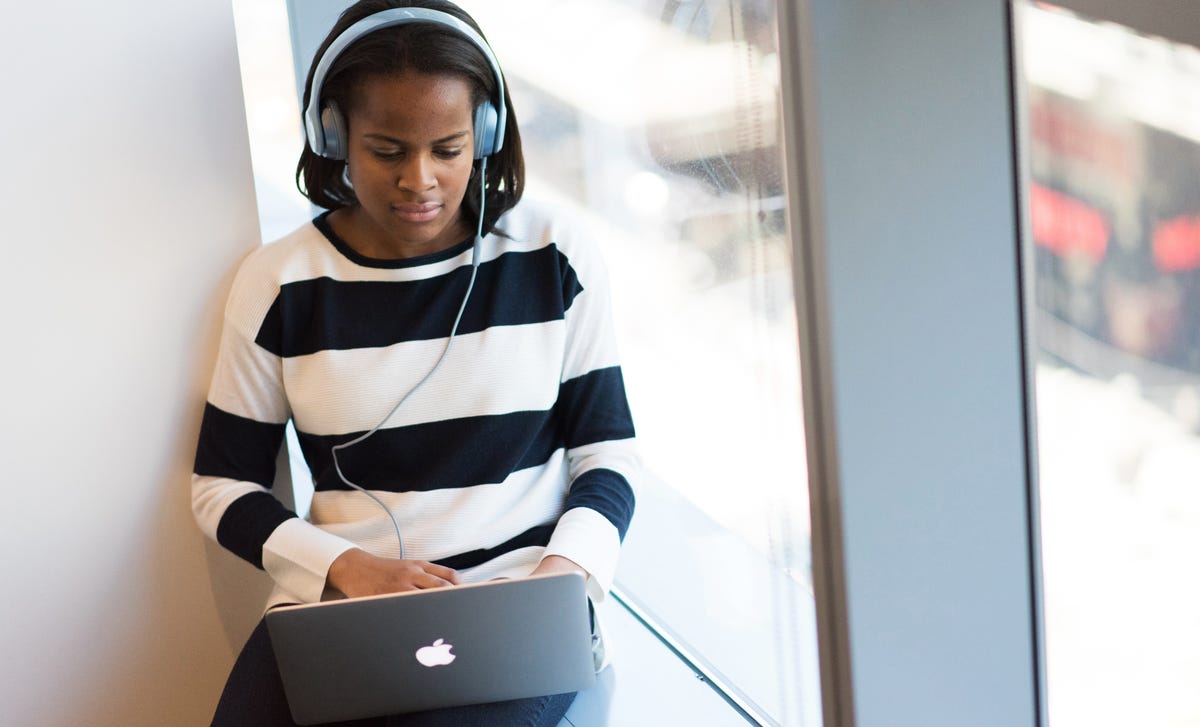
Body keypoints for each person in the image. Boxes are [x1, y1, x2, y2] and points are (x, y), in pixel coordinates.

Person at [191, 1, 639, 724]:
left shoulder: (553, 255)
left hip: (514, 597)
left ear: (486, 134)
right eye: (389, 150)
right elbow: (223, 486)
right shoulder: (279, 283)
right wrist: (347, 568)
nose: (420, 180)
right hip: (342, 606)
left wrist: (560, 580)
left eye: (449, 148)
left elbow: (608, 456)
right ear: (333, 135)